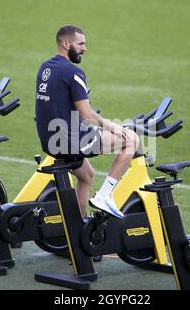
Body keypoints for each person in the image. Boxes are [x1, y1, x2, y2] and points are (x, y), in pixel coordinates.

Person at [35, 25, 140, 219]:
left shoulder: (45, 68)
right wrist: (112, 125)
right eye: (81, 43)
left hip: (50, 140)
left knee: (87, 176)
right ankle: (104, 196)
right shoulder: (74, 72)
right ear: (66, 43)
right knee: (132, 139)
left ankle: (79, 232)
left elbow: (58, 104)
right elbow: (86, 114)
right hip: (69, 141)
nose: (85, 48)